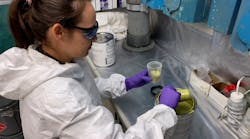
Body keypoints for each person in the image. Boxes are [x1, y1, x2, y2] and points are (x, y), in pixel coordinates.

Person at [0, 0, 180, 138]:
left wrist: (124, 84)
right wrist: (163, 112)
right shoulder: (57, 98)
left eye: (96, 28)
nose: (95, 38)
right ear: (59, 32)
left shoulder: (47, 58)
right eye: (90, 32)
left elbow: (83, 87)